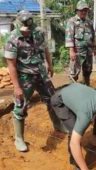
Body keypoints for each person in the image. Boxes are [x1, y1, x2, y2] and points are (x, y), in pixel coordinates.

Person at [4, 10, 63, 152]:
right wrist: (16, 87)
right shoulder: (12, 39)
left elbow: (46, 49)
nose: (28, 32)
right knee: (20, 107)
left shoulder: (39, 32)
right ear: (18, 25)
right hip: (24, 77)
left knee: (53, 100)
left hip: (41, 74)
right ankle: (19, 139)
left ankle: (58, 125)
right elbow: (11, 65)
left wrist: (50, 64)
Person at [65, 0, 95, 86]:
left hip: (88, 52)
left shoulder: (89, 22)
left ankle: (86, 88)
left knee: (87, 72)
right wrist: (71, 51)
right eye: (82, 10)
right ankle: (73, 91)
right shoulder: (72, 21)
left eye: (85, 10)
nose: (84, 12)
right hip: (77, 52)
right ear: (77, 11)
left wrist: (95, 48)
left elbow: (92, 35)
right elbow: (69, 37)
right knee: (74, 73)